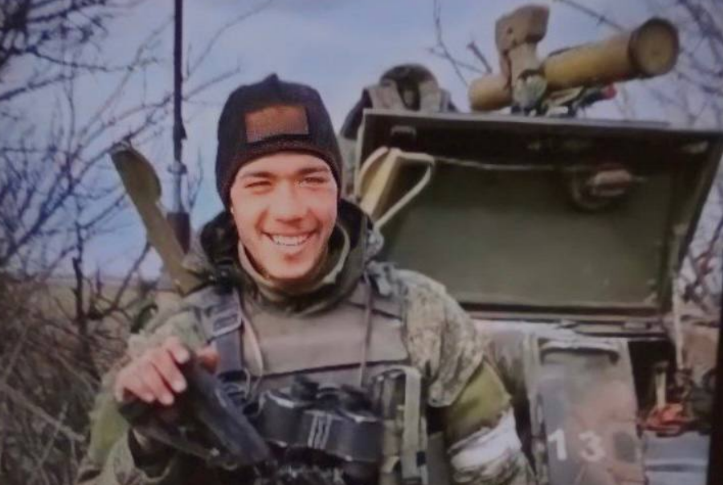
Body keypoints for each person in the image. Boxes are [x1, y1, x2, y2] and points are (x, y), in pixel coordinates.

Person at [76, 75, 533, 485]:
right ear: (230, 202)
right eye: (260, 183)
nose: (290, 210)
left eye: (312, 179)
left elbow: (500, 475)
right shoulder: (177, 343)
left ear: (339, 190)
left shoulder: (423, 318)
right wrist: (149, 441)